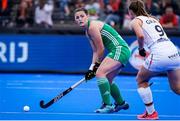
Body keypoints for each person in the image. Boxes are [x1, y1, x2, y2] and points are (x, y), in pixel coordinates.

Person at [129, 0, 180, 120]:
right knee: (177, 88)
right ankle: (150, 113)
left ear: (131, 11)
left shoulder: (135, 20)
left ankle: (151, 113)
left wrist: (141, 49)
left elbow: (140, 36)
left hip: (160, 53)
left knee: (141, 80)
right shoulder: (153, 19)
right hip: (173, 51)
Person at [74, 7, 131, 113]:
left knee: (100, 73)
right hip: (121, 50)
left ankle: (108, 105)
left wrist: (96, 68)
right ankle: (121, 103)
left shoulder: (92, 27)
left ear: (87, 16)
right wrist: (91, 69)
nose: (80, 19)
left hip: (120, 49)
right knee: (108, 78)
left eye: (82, 16)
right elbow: (95, 51)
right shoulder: (87, 32)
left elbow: (101, 49)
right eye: (77, 17)